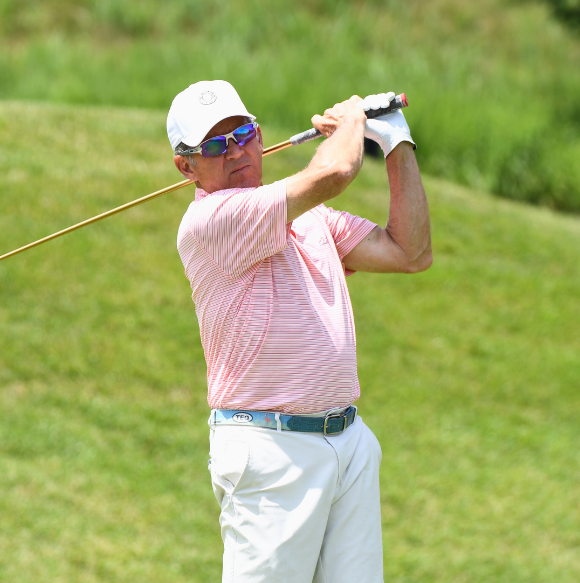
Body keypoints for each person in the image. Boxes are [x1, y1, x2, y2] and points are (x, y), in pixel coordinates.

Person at [167, 80, 431, 583]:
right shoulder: (209, 222)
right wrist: (352, 121)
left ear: (260, 134)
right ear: (187, 167)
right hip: (271, 453)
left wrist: (397, 142)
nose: (236, 152)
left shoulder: (312, 219)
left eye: (243, 134)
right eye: (215, 146)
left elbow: (410, 251)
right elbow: (334, 172)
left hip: (347, 443)